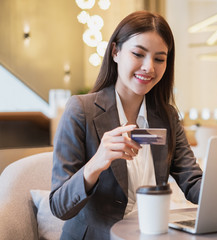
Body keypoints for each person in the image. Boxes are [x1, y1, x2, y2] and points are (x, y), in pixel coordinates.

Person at [49, 11, 203, 239]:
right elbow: (59, 206)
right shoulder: (81, 110)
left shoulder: (167, 117)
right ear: (115, 52)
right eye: (138, 54)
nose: (149, 67)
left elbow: (193, 183)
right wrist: (96, 163)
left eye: (159, 59)